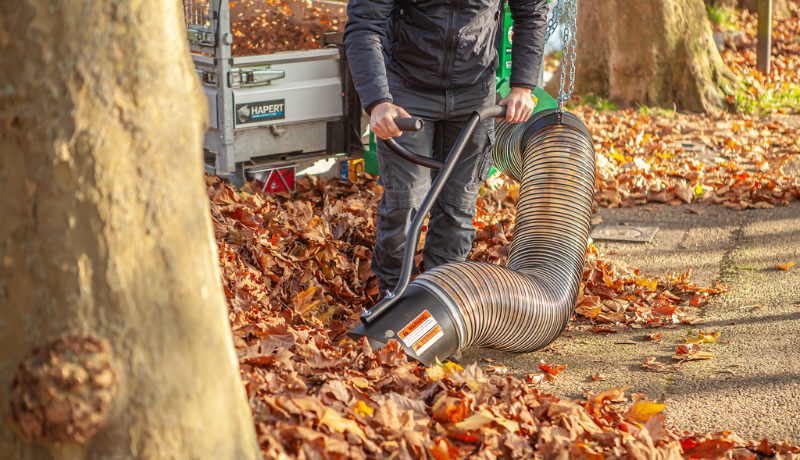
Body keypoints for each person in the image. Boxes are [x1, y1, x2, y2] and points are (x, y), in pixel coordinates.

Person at [344, 0, 548, 298]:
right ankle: (390, 301)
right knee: (405, 206)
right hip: (405, 87)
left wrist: (523, 85)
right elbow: (364, 25)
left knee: (458, 208)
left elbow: (531, 12)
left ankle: (441, 301)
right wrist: (378, 101)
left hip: (474, 90)